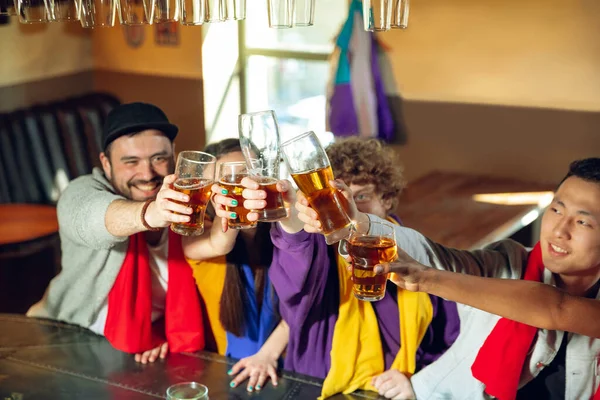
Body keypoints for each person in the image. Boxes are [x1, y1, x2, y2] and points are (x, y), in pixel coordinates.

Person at [299, 157, 600, 399]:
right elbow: (440, 258)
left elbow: (553, 307)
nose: (560, 230)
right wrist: (360, 222)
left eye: (583, 221)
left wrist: (427, 279)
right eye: (556, 209)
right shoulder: (509, 261)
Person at [241, 138, 460, 399]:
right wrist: (291, 218)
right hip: (321, 387)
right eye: (339, 197)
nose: (350, 207)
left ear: (387, 200)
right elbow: (294, 279)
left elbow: (451, 337)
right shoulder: (319, 250)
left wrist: (420, 381)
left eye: (363, 196)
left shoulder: (418, 251)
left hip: (395, 392)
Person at [27, 102, 237, 364]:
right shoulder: (81, 192)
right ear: (106, 163)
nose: (147, 174)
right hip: (67, 337)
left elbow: (215, 245)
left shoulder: (187, 203)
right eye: (131, 162)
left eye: (159, 159)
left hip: (148, 348)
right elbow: (97, 218)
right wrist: (154, 214)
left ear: (174, 155)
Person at [184, 139, 288, 393]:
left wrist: (268, 354)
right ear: (210, 192)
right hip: (226, 370)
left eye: (248, 175)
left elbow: (307, 302)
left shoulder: (288, 231)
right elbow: (219, 243)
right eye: (228, 180)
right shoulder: (196, 236)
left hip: (286, 364)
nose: (242, 186)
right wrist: (229, 209)